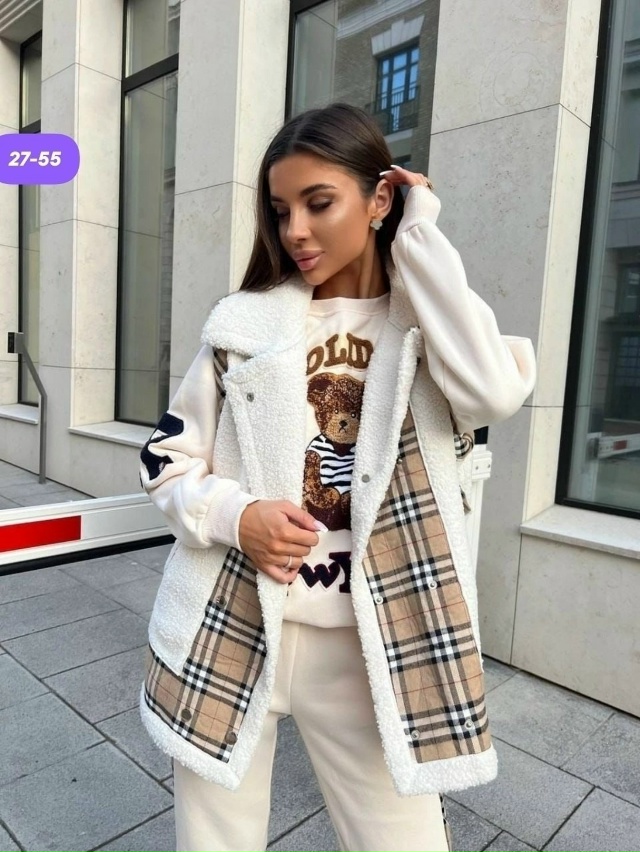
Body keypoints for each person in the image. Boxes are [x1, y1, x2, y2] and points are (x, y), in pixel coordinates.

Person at [138, 102, 536, 852]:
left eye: (319, 203)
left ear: (379, 198)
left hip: (370, 643)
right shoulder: (243, 326)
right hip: (233, 618)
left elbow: (493, 392)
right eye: (281, 209)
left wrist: (419, 234)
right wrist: (237, 516)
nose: (295, 230)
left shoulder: (427, 327)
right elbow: (165, 458)